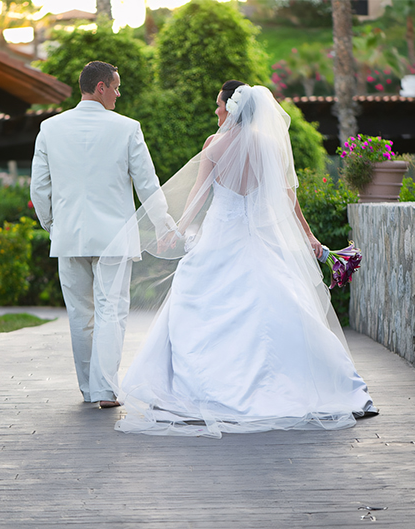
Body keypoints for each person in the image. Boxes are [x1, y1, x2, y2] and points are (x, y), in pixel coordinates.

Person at [96, 81, 378, 437]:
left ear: (231, 108)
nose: (216, 111)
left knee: (194, 304)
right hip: (259, 240)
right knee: (282, 306)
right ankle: (314, 386)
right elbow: (289, 202)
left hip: (219, 239)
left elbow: (199, 195)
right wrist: (311, 239)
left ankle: (202, 390)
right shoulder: (271, 147)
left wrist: (178, 230)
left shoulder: (215, 145)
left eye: (219, 105)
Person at [31, 61, 175, 408]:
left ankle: (88, 389)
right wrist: (164, 224)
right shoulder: (127, 129)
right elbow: (146, 183)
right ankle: (104, 390)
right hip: (113, 238)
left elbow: (39, 188)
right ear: (101, 88)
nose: (119, 94)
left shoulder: (50, 128)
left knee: (81, 315)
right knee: (111, 311)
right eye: (116, 87)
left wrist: (53, 224)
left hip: (68, 237)